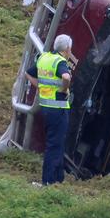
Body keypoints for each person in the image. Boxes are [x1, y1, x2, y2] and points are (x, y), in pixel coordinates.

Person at [25, 34, 73, 185]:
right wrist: (63, 90)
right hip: (58, 110)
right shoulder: (60, 62)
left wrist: (39, 86)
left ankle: (58, 179)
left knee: (57, 143)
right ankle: (48, 182)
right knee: (53, 146)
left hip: (46, 107)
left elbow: (28, 73)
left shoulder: (44, 58)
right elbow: (66, 77)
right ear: (67, 49)